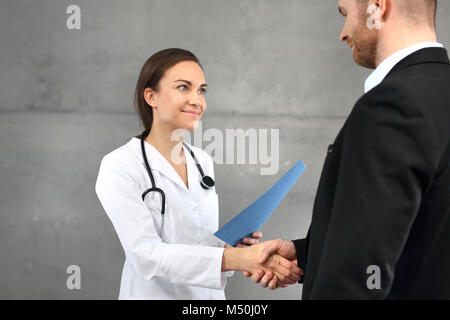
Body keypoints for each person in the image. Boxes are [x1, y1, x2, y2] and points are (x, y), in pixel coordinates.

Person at [250, 0, 450, 299]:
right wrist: (307, 254)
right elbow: (429, 227)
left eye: (345, 14)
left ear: (377, 7)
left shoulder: (393, 104)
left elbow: (357, 276)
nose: (343, 34)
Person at [95, 48, 302, 299]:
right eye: (183, 87)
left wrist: (232, 247)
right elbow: (146, 256)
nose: (197, 100)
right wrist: (237, 258)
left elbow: (197, 241)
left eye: (201, 90)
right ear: (151, 96)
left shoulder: (201, 160)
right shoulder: (120, 165)